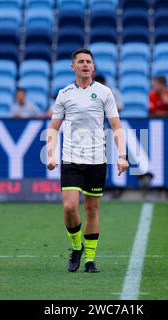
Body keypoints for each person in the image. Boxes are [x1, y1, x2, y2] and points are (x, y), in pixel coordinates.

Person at [46, 48, 129, 273]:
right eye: (80, 61)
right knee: (70, 207)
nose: (85, 64)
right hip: (71, 159)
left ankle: (90, 259)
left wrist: (122, 155)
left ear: (93, 67)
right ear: (73, 67)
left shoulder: (104, 93)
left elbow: (116, 126)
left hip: (96, 159)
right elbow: (53, 127)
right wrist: (50, 153)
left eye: (88, 62)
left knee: (92, 210)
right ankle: (76, 246)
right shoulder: (64, 94)